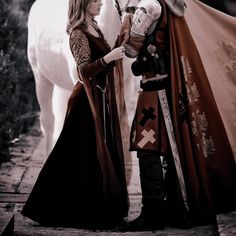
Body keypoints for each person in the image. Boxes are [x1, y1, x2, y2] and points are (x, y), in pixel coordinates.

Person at [118, 0, 236, 231]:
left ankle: (152, 212)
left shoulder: (148, 7)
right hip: (174, 89)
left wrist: (126, 22)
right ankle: (175, 209)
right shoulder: (178, 3)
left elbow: (131, 50)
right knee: (174, 149)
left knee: (147, 148)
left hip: (153, 93)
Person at [21, 0, 129, 229]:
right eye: (95, 1)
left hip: (98, 98)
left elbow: (104, 57)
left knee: (78, 152)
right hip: (85, 102)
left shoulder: (95, 27)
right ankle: (61, 206)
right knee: (81, 152)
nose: (101, 3)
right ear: (83, 5)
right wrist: (109, 58)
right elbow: (83, 71)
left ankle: (94, 204)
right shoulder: (77, 33)